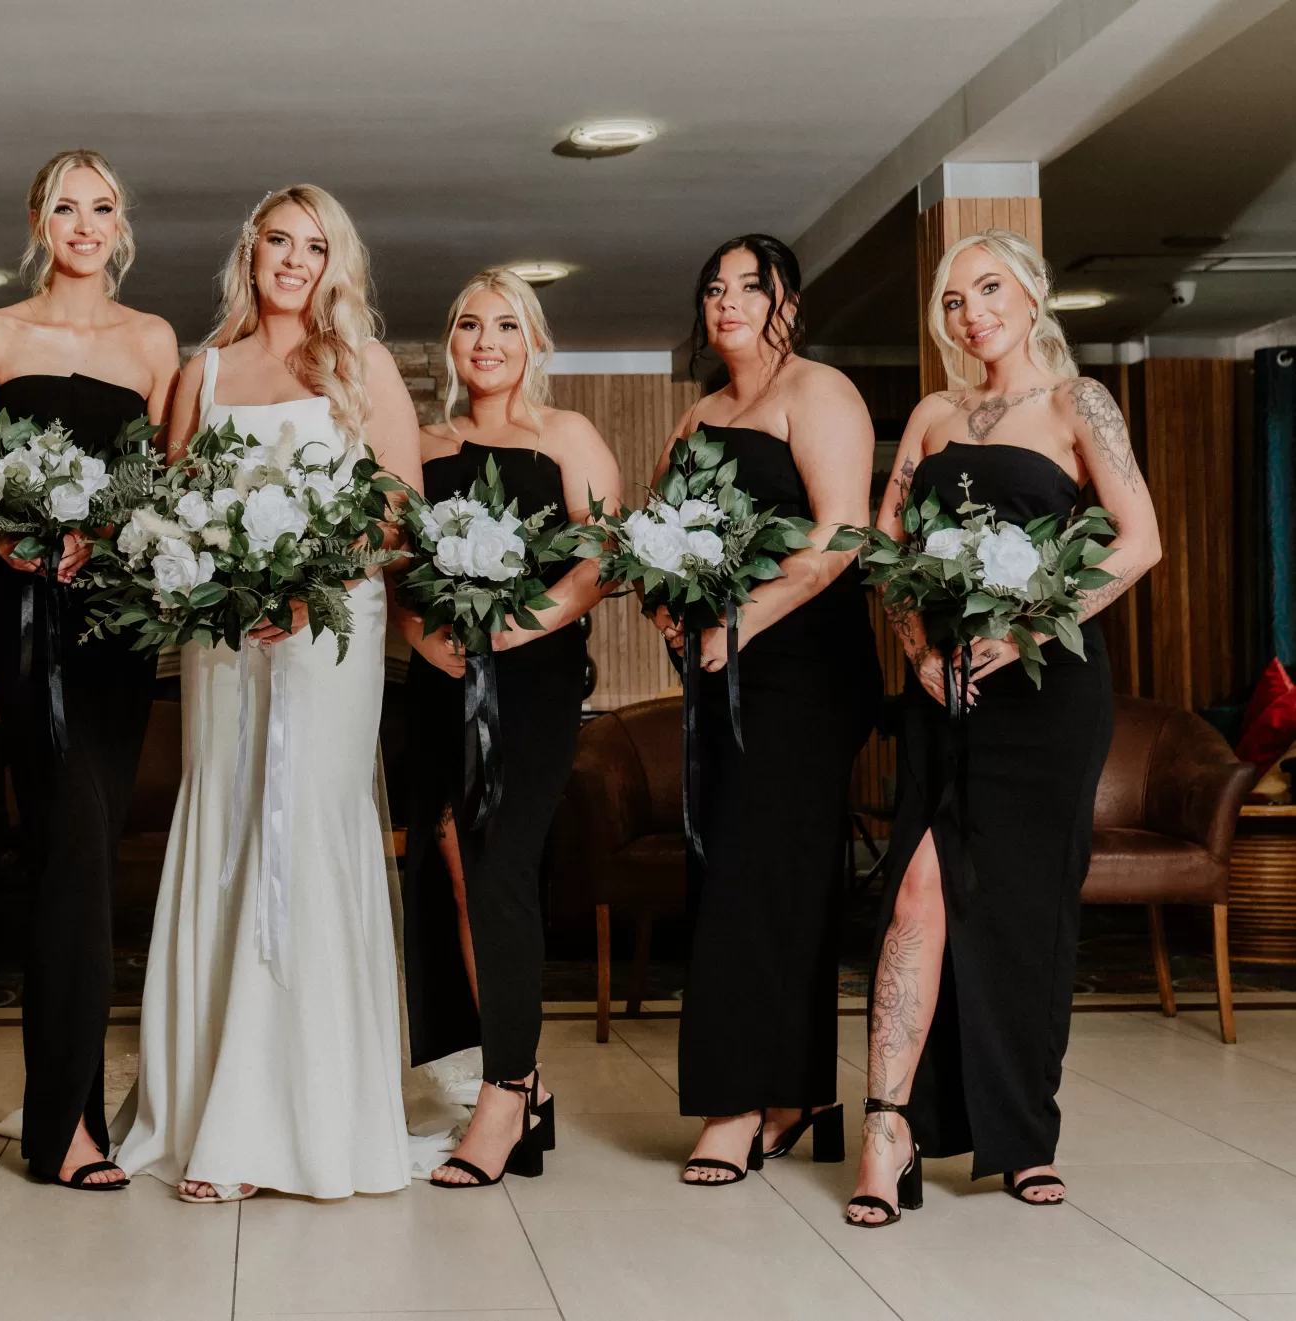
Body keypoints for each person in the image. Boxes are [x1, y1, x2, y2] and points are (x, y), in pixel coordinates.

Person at [111, 185, 424, 1203]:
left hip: (330, 634)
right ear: (249, 253)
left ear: (337, 261)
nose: (294, 259)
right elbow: (166, 515)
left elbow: (401, 516)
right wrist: (221, 581)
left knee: (307, 825)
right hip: (224, 639)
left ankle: (313, 1115)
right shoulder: (199, 372)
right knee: (231, 824)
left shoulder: (361, 367)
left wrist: (310, 581)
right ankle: (214, 1114)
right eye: (278, 241)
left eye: (314, 245)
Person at [844, 230, 1160, 1226]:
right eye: (952, 299)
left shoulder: (1081, 405)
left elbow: (1140, 541)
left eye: (988, 288)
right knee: (916, 892)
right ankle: (887, 1126)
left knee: (1023, 913)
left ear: (1031, 295)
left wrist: (1025, 625)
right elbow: (886, 550)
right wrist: (920, 654)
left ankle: (1022, 1138)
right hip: (946, 694)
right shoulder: (934, 415)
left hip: (1047, 697)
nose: (970, 310)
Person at [0, 149, 178, 1190]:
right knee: (71, 840)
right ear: (36, 220)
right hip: (25, 608)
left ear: (120, 225)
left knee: (81, 841)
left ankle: (73, 1112)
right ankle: (67, 1125)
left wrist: (114, 531)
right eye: (63, 205)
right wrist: (10, 539)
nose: (83, 223)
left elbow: (172, 483)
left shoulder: (154, 339)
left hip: (117, 613)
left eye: (100, 207)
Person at [660, 235, 882, 1187]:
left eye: (752, 286)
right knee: (741, 872)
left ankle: (737, 1102)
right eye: (715, 286)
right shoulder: (698, 414)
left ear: (789, 301)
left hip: (800, 669)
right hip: (720, 668)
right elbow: (662, 535)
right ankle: (797, 1093)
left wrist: (740, 623)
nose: (729, 301)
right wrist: (671, 606)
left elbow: (840, 534)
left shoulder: (819, 392)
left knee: (757, 874)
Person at [397, 267, 619, 1186]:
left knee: (500, 870)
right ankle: (515, 1079)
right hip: (438, 680)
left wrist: (516, 626)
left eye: (505, 325)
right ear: (450, 343)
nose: (485, 341)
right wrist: (426, 635)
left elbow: (604, 553)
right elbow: (393, 563)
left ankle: (507, 1089)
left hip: (531, 681)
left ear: (534, 341)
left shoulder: (565, 434)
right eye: (467, 324)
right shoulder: (420, 441)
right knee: (451, 870)